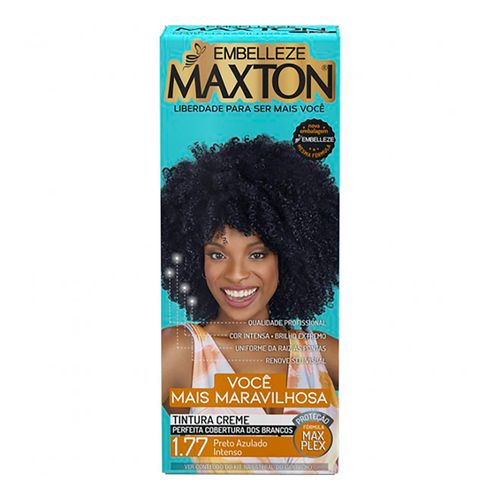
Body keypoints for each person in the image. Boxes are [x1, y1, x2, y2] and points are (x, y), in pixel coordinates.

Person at [161, 135, 339, 473]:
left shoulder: (321, 353)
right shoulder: (180, 352)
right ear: (197, 261)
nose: (236, 274)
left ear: (288, 258)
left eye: (257, 254)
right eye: (217, 254)